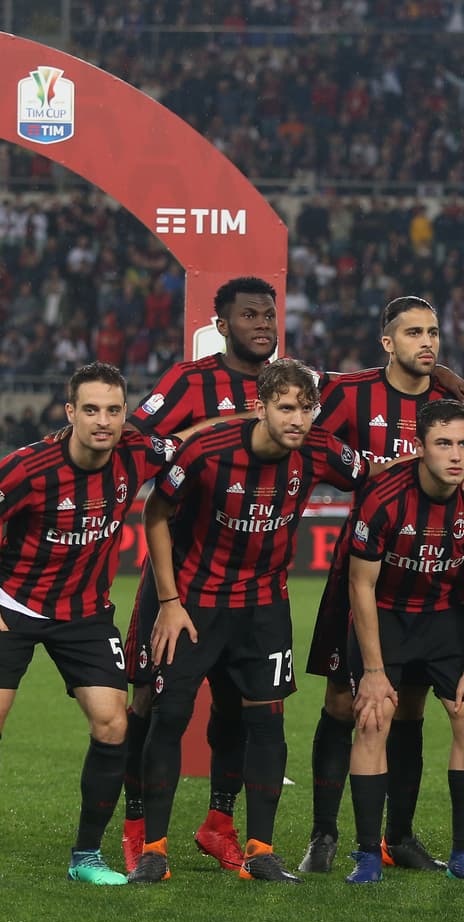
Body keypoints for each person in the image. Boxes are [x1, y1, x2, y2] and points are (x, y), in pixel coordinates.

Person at [127, 359, 367, 885]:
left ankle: (260, 852)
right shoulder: (207, 451)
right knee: (169, 717)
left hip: (264, 610)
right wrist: (168, 601)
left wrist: (457, 463)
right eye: (286, 408)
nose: (298, 420)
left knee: (266, 724)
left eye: (307, 409)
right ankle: (153, 850)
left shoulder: (321, 451)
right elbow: (156, 514)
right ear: (259, 407)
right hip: (194, 607)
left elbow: (379, 471)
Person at [0, 362, 176, 888]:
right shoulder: (30, 468)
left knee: (112, 723)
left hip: (86, 616)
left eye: (114, 410)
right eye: (92, 410)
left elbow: (189, 445)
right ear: (70, 412)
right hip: (13, 609)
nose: (104, 421)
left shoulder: (137, 453)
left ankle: (86, 856)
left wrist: (252, 422)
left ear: (125, 413)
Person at [299, 296, 464, 874]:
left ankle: (397, 838)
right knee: (345, 701)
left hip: (431, 582)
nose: (426, 343)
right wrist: (366, 467)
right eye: (413, 333)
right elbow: (311, 442)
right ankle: (325, 834)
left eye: (433, 332)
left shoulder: (449, 404)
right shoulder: (352, 394)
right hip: (364, 572)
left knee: (409, 709)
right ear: (387, 342)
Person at [120, 275, 278, 874]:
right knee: (149, 703)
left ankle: (219, 822)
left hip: (250, 587)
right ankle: (138, 826)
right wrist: (199, 434)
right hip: (177, 578)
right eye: (249, 315)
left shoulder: (285, 385)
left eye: (268, 314)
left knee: (239, 705)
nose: (262, 324)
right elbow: (136, 442)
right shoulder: (192, 381)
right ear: (222, 325)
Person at [343, 400, 464, 884]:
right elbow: (361, 586)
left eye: (463, 444)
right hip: (386, 617)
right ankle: (368, 854)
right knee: (374, 719)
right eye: (443, 444)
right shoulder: (383, 496)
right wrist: (373, 672)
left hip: (443, 617)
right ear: (420, 448)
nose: (455, 456)